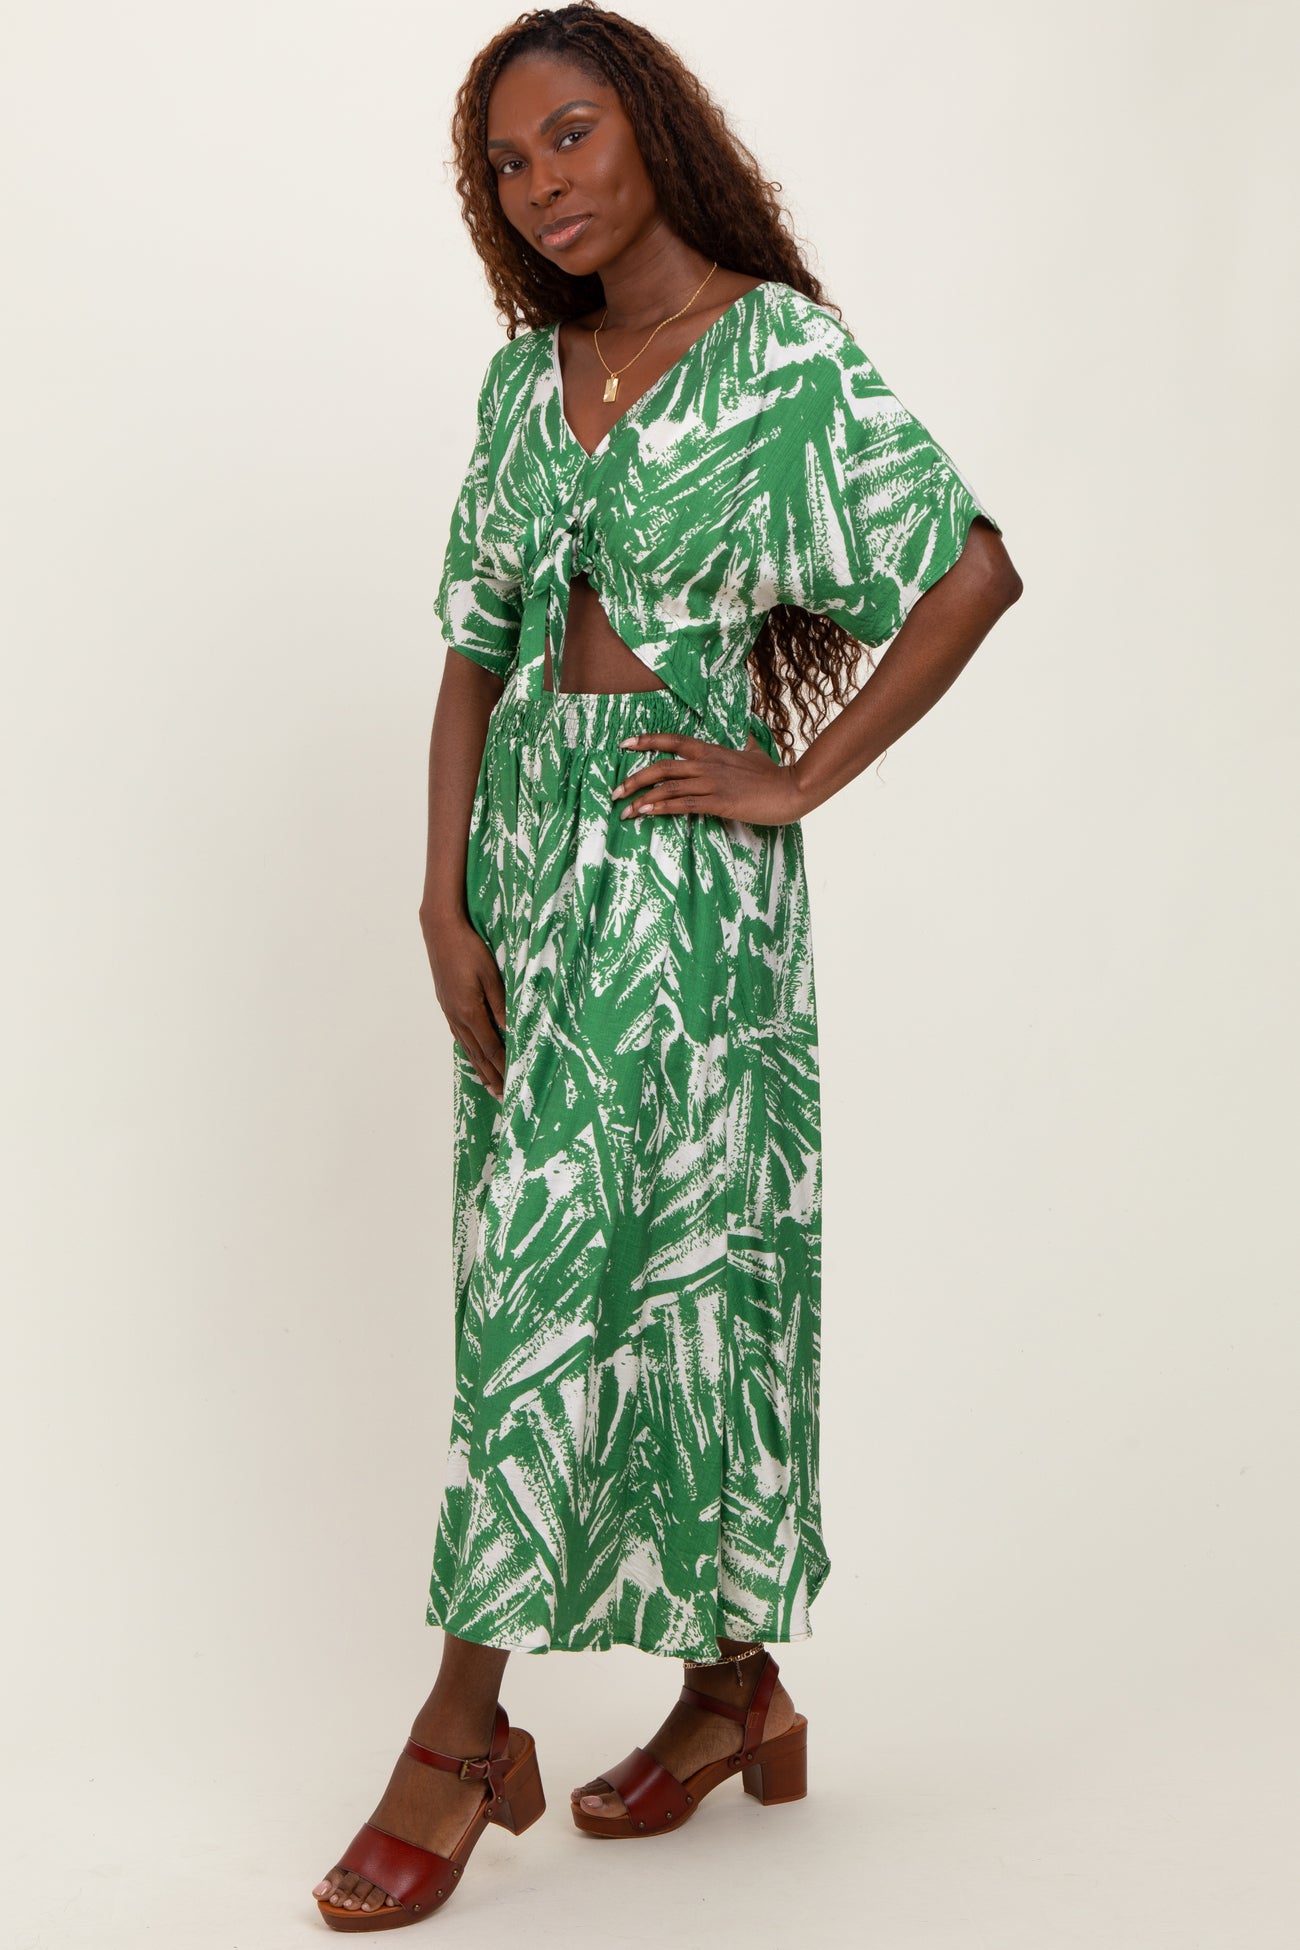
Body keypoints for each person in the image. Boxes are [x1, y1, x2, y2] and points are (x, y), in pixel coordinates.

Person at [313, 1, 1022, 1928]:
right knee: (623, 1272)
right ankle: (734, 1689)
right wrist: (442, 899)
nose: (541, 182)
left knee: (575, 1285)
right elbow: (473, 650)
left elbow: (969, 567)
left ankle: (460, 1734)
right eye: (507, 161)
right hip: (524, 875)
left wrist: (794, 777)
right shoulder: (521, 383)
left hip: (685, 894)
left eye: (570, 134)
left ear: (653, 128)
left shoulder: (783, 359)